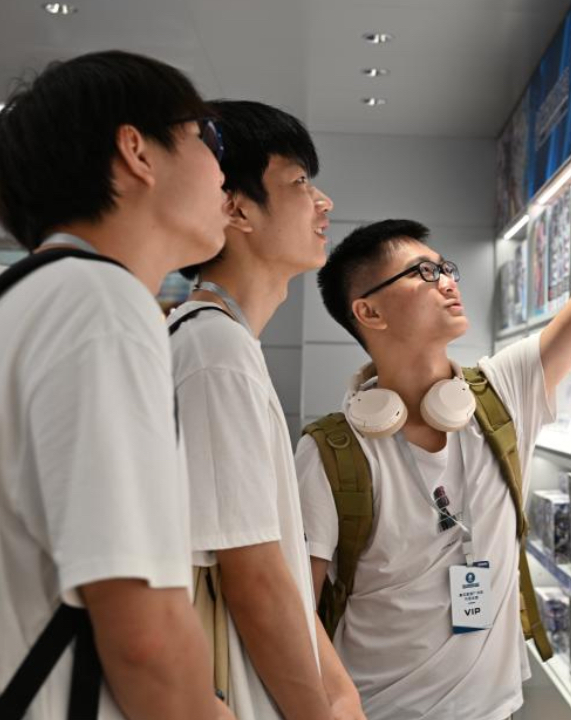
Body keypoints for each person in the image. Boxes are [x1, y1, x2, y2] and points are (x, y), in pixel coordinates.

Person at [298, 96, 571, 720]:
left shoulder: (497, 394)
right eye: (421, 276)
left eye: (444, 268)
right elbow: (297, 612)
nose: (447, 282)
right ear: (368, 312)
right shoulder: (330, 455)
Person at [0, 50, 232, 719]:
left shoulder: (7, 309)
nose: (224, 171)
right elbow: (144, 633)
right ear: (137, 151)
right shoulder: (99, 305)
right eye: (208, 139)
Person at [169, 100, 362, 720]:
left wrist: (341, 692)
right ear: (237, 208)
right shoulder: (214, 350)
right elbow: (252, 579)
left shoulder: (220, 340)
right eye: (300, 181)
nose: (323, 202)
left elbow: (271, 568)